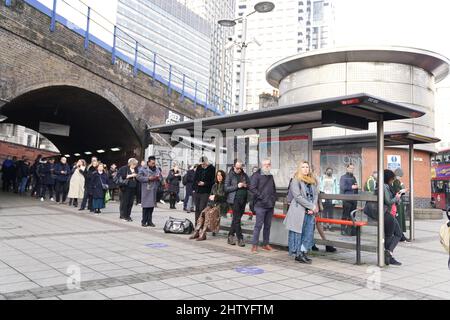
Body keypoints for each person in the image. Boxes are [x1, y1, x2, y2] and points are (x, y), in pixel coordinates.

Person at [284, 161, 318, 264]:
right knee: (298, 232)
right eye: (303, 167)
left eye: (307, 167)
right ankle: (298, 254)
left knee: (308, 233)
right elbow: (297, 197)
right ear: (299, 169)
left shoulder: (312, 181)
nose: (305, 169)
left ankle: (303, 252)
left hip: (310, 211)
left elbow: (316, 194)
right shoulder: (296, 180)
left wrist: (313, 207)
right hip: (299, 211)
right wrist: (311, 206)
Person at [190, 170, 227, 241]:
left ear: (223, 176)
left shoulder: (225, 185)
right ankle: (197, 231)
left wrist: (216, 197)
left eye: (220, 175)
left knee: (209, 213)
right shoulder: (214, 185)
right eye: (218, 175)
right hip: (212, 204)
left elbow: (225, 197)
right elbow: (210, 196)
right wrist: (210, 202)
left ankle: (203, 233)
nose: (219, 177)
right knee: (203, 212)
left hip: (221, 205)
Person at [249, 159, 277, 253]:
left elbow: (273, 189)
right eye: (265, 164)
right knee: (258, 226)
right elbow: (252, 188)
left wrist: (273, 199)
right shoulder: (256, 175)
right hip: (260, 205)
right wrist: (261, 196)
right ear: (262, 165)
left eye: (269, 164)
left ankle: (265, 244)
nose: (267, 166)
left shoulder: (270, 176)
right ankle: (254, 245)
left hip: (270, 205)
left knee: (267, 226)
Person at [225, 159, 250, 247]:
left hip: (243, 200)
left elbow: (250, 185)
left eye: (240, 168)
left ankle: (230, 235)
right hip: (234, 199)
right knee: (237, 219)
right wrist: (237, 186)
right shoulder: (230, 175)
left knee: (236, 219)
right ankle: (240, 238)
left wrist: (246, 185)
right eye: (237, 168)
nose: (239, 170)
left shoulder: (244, 175)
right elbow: (226, 188)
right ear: (233, 166)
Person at [383, 169, 403, 266]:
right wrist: (397, 198)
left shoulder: (386, 186)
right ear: (388, 178)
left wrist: (397, 197)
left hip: (387, 213)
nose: (392, 181)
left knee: (393, 234)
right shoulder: (384, 187)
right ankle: (388, 255)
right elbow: (388, 201)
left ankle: (388, 254)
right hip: (387, 213)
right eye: (392, 179)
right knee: (395, 234)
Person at [137, 156, 162, 227]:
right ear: (148, 162)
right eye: (152, 163)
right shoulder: (143, 169)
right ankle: (144, 221)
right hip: (146, 189)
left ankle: (149, 221)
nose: (153, 164)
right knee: (145, 206)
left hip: (154, 189)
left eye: (154, 163)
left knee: (151, 206)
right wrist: (148, 178)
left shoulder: (157, 169)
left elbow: (160, 176)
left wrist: (159, 178)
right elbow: (138, 177)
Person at [193, 156, 216, 225]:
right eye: (201, 164)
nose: (202, 165)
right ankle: (197, 223)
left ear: (206, 162)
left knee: (202, 208)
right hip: (198, 190)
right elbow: (195, 178)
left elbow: (213, 181)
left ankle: (202, 224)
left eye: (203, 164)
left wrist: (205, 183)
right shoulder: (199, 168)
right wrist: (197, 184)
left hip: (206, 191)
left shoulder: (212, 169)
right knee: (197, 208)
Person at [339, 164, 359, 236]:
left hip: (354, 199)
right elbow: (342, 187)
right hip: (347, 199)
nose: (352, 169)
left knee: (353, 215)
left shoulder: (353, 177)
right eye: (350, 168)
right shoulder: (343, 177)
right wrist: (351, 187)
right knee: (345, 215)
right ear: (347, 168)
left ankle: (351, 231)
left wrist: (356, 187)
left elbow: (356, 187)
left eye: (353, 168)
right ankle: (343, 230)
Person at [393, 168, 409, 242]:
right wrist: (403, 190)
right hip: (398, 203)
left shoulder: (395, 181)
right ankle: (400, 235)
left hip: (398, 202)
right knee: (399, 219)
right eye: (400, 176)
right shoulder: (396, 182)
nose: (400, 177)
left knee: (399, 219)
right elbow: (397, 192)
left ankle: (400, 235)